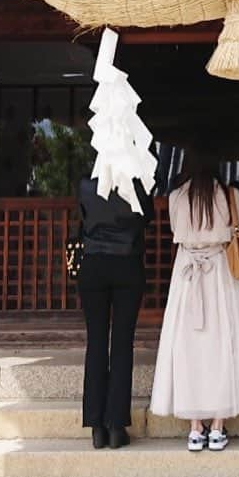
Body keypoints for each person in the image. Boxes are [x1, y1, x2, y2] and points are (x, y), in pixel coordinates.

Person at [149, 145, 239, 451]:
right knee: (223, 346)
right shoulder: (228, 195)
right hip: (219, 273)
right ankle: (218, 426)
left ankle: (195, 427)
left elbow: (176, 230)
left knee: (187, 348)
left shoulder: (176, 197)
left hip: (187, 274)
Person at [77, 175, 154, 450]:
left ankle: (96, 426)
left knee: (96, 343)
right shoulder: (136, 187)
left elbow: (83, 219)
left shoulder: (86, 186)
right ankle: (116, 426)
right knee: (122, 344)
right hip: (127, 263)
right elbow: (147, 218)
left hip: (93, 262)